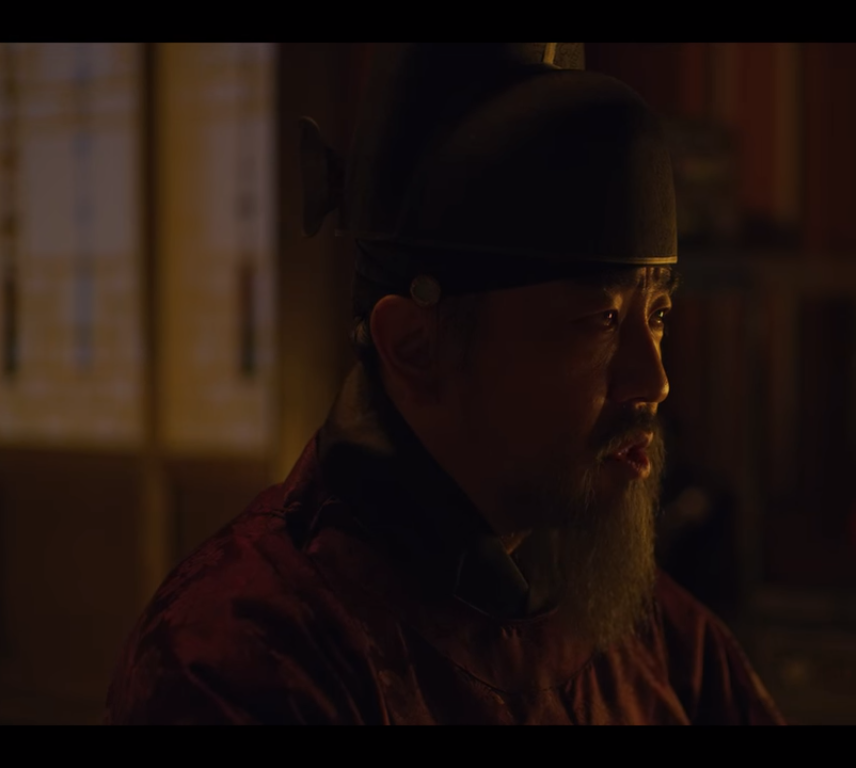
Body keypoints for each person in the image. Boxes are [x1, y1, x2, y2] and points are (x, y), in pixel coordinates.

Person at [103, 43, 786, 725]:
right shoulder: (246, 657)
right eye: (599, 321)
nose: (653, 381)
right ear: (415, 346)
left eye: (657, 315)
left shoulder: (657, 637)